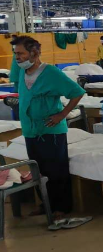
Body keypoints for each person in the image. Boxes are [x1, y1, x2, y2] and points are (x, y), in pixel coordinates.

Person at [12, 36, 85, 218]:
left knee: (56, 170)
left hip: (51, 130)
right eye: (15, 54)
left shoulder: (51, 73)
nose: (16, 58)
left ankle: (62, 207)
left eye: (20, 53)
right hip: (30, 130)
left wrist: (62, 114)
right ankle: (46, 205)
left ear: (34, 53)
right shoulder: (22, 72)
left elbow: (77, 93)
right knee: (38, 169)